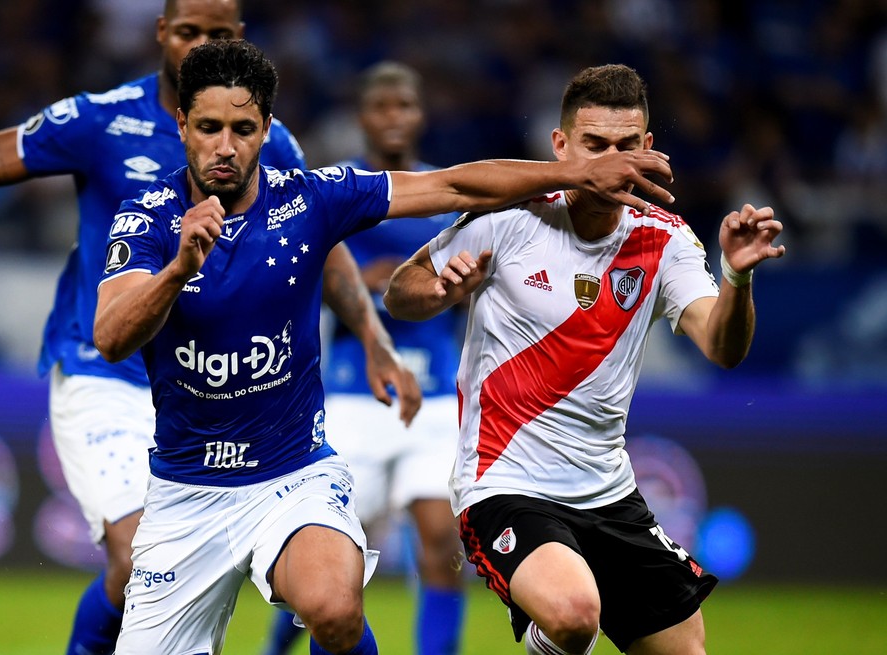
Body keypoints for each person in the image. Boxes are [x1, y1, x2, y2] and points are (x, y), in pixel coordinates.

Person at [92, 39, 675, 655]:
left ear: (266, 128)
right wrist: (180, 266)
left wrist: (575, 173)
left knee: (334, 607)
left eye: (243, 127)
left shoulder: (309, 199)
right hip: (185, 492)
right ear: (181, 124)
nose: (225, 146)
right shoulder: (148, 218)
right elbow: (111, 336)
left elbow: (453, 187)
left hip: (291, 476)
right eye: (209, 127)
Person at [0, 2, 420, 655]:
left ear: (239, 39)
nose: (201, 43)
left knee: (328, 595)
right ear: (161, 34)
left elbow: (316, 236)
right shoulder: (101, 119)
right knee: (131, 552)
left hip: (210, 385)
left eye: (219, 33)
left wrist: (373, 338)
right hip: (105, 367)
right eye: (188, 31)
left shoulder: (267, 137)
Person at [384, 63, 786, 655]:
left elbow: (722, 348)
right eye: (594, 146)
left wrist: (735, 279)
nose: (611, 163)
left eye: (626, 147)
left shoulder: (665, 239)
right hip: (505, 482)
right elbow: (400, 291)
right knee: (574, 615)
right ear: (561, 145)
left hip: (608, 491)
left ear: (648, 149)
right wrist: (443, 290)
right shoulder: (511, 217)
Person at [261, 61, 467, 655]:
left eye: (404, 106)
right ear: (363, 117)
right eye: (382, 107)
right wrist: (374, 281)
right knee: (330, 556)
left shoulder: (446, 193)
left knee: (440, 542)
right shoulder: (333, 192)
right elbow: (312, 274)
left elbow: (463, 282)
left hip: (432, 395)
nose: (393, 117)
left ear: (420, 114)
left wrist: (421, 284)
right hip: (353, 392)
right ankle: (278, 645)